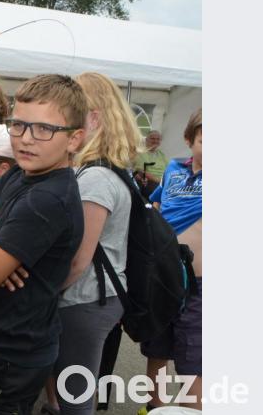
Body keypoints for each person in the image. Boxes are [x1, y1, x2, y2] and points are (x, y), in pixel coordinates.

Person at [0, 74, 87, 415]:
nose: (26, 139)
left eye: (43, 129)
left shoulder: (46, 199)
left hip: (7, 354)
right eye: (18, 125)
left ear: (74, 139)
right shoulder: (19, 174)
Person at [43, 72, 141, 415]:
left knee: (76, 397)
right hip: (91, 298)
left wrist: (42, 293)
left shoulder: (96, 177)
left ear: (95, 117)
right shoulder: (103, 170)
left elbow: (78, 259)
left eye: (71, 110)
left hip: (85, 300)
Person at [139, 109, 202, 414]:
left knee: (195, 358)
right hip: (164, 277)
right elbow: (156, 204)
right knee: (157, 347)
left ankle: (191, 410)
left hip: (200, 287)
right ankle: (154, 407)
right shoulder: (175, 169)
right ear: (190, 140)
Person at [133, 130, 168, 198]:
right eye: (152, 138)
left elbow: (168, 169)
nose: (155, 141)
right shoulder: (141, 153)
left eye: (158, 139)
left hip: (163, 181)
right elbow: (140, 171)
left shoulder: (161, 154)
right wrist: (159, 180)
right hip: (151, 182)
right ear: (146, 140)